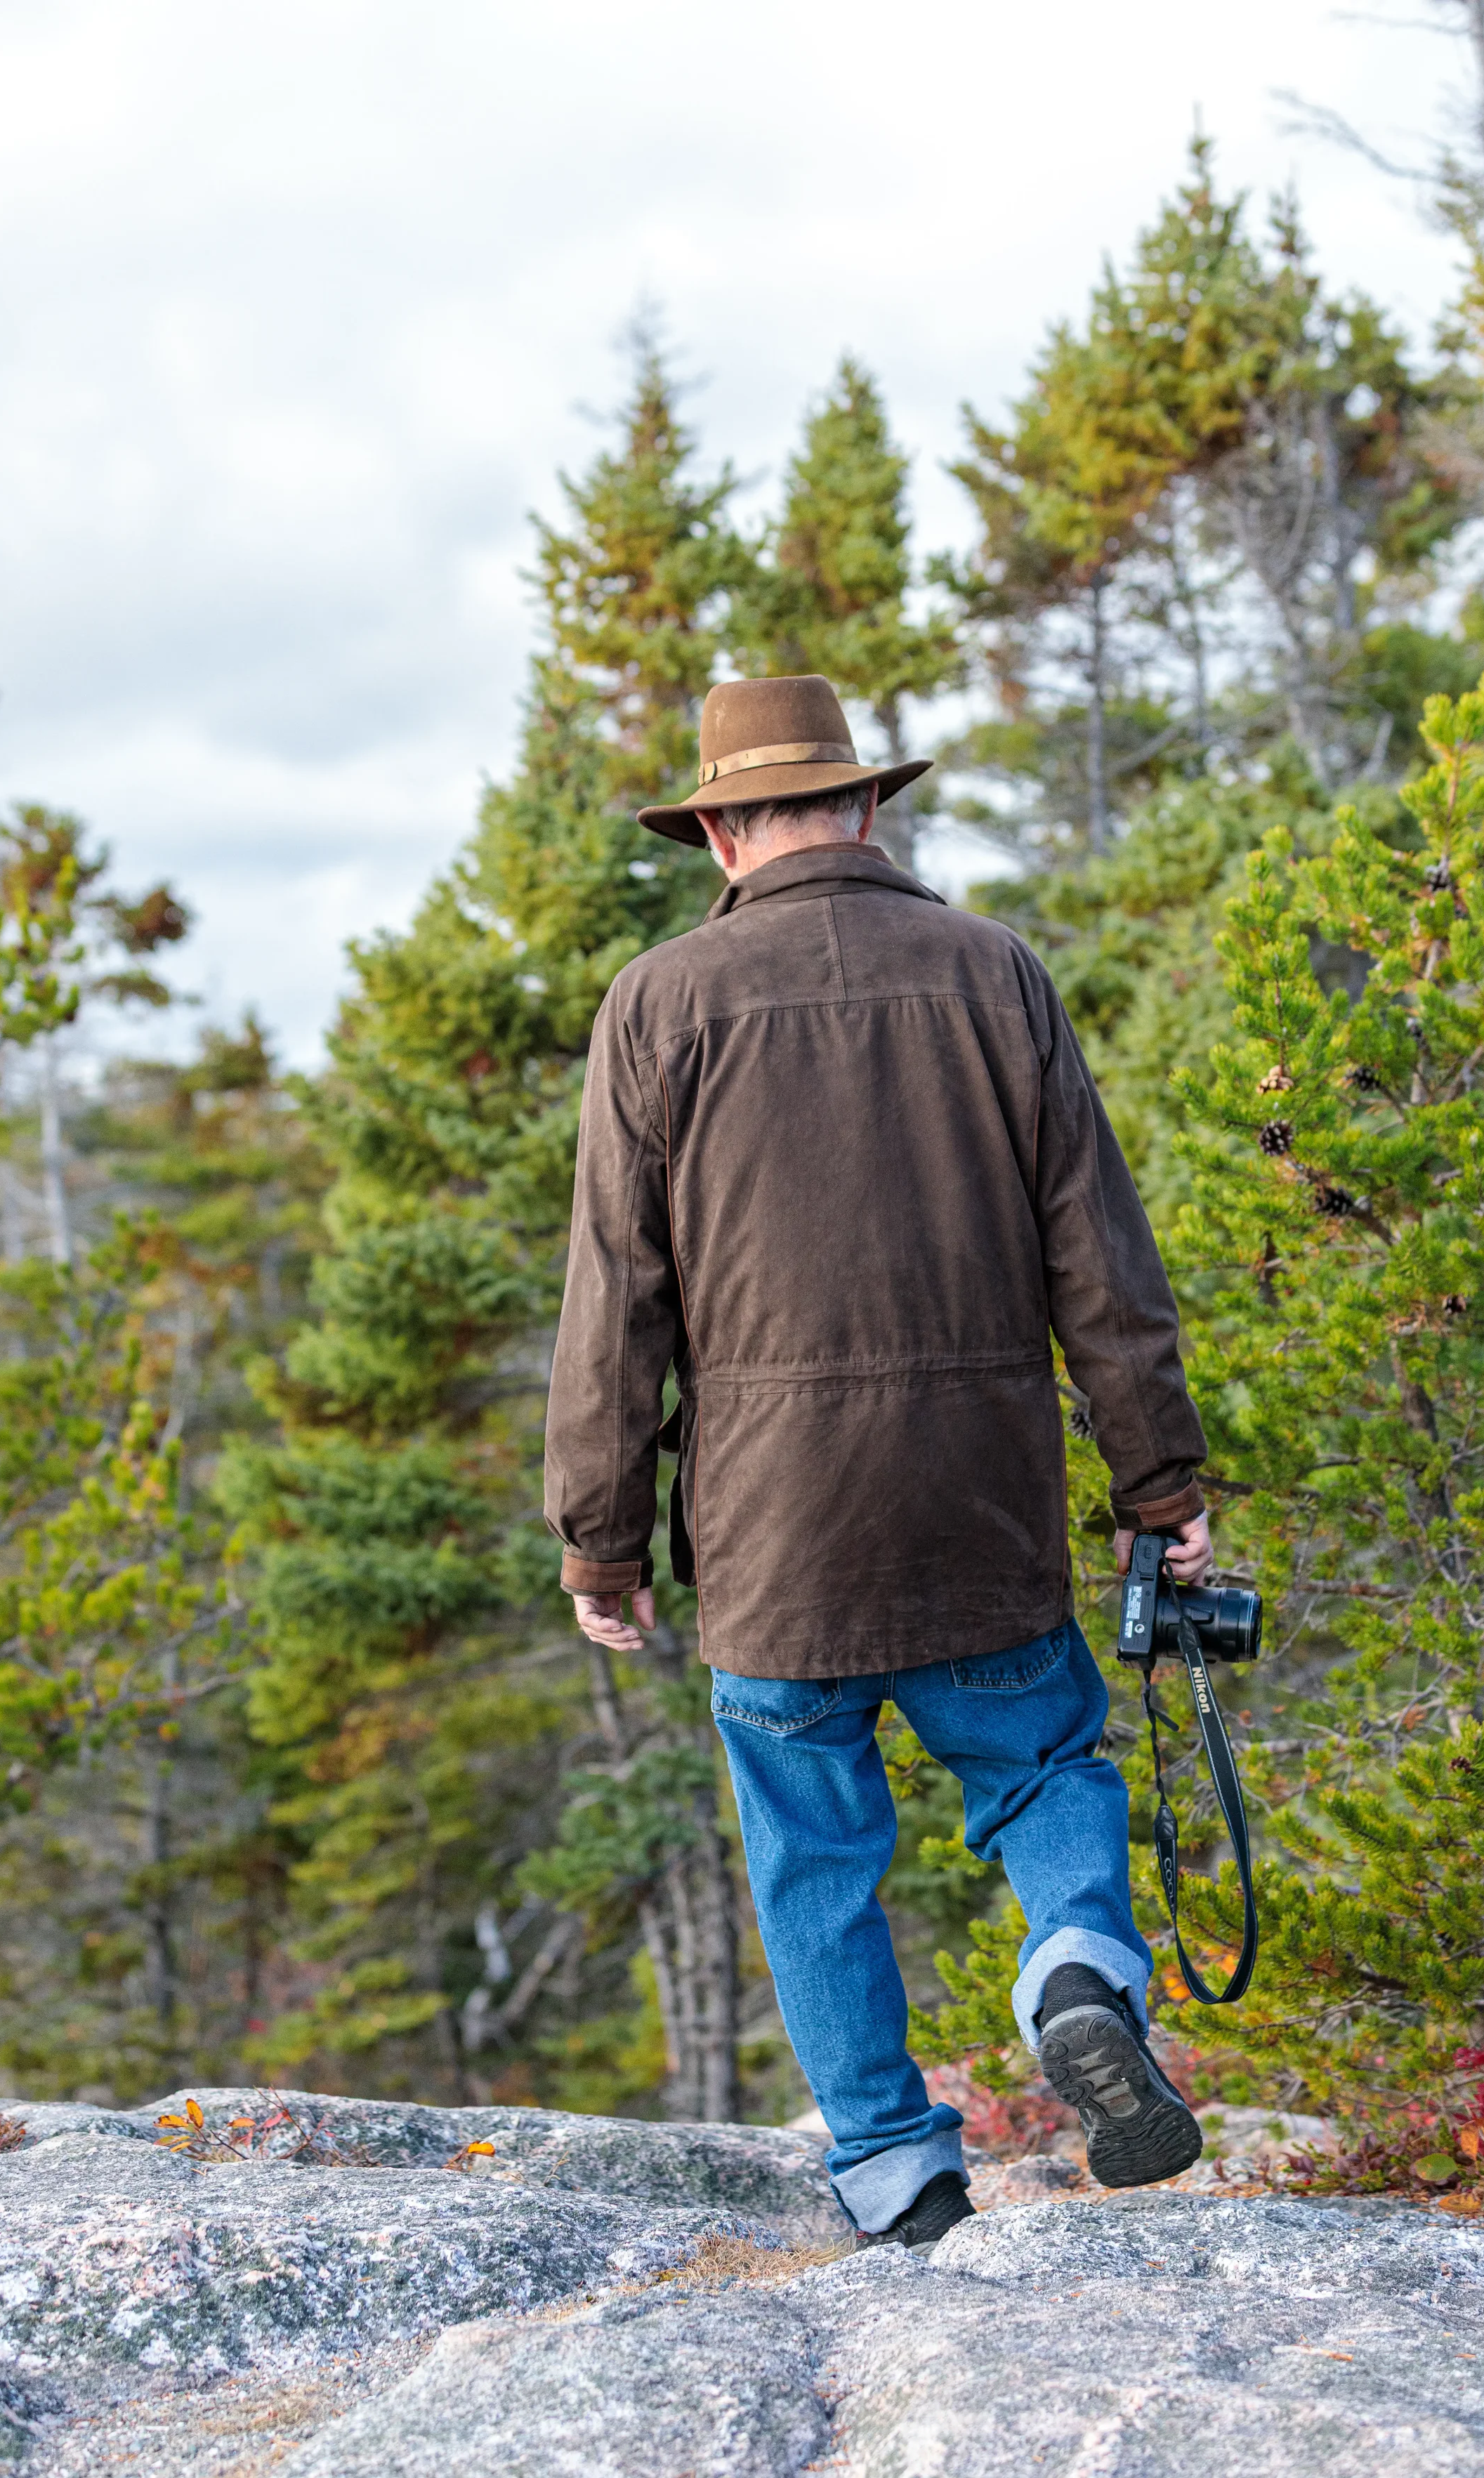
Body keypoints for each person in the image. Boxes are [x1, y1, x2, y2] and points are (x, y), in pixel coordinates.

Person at [543, 674, 1214, 2248]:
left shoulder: (655, 1004)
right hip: (975, 1492)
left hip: (771, 1527)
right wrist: (1159, 1486)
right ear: (862, 805)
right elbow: (1100, 1269)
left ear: (717, 830)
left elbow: (613, 1305)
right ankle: (1073, 1962)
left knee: (808, 1846)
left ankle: (893, 2166)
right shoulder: (995, 976)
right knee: (1042, 1761)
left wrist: (602, 1540)